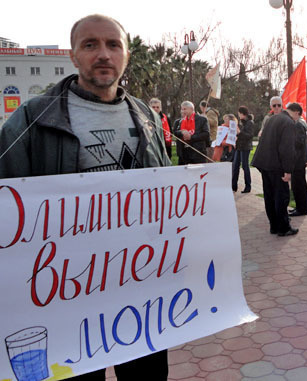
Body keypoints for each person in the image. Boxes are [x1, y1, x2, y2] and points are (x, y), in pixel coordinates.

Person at [0, 14, 170, 381]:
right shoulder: (31, 118)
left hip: (141, 289)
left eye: (113, 45)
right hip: (66, 294)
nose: (103, 54)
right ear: (74, 56)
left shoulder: (146, 117)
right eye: (90, 45)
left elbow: (170, 196)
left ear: (126, 56)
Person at [252, 103, 301, 236]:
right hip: (277, 165)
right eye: (298, 118)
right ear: (296, 113)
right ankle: (283, 227)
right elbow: (287, 148)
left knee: (269, 196)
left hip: (264, 163)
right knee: (281, 196)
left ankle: (273, 225)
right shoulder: (289, 123)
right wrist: (288, 170)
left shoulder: (272, 118)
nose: (297, 121)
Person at [289, 116, 307, 216]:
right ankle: (299, 207)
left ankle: (301, 209)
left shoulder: (298, 124)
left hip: (298, 160)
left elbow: (299, 142)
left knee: (298, 186)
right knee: (297, 185)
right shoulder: (301, 123)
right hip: (299, 160)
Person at [232, 106, 254, 193]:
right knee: (235, 165)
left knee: (245, 166)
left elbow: (249, 135)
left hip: (245, 147)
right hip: (239, 146)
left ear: (242, 113)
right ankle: (233, 185)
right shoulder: (241, 122)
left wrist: (239, 133)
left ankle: (248, 186)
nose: (238, 115)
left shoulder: (249, 123)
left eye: (239, 113)